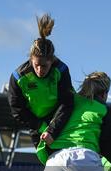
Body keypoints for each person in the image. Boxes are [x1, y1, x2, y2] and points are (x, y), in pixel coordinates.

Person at [7, 13, 74, 149]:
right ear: (31, 59)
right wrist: (40, 126)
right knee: (48, 164)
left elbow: (67, 103)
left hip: (60, 122)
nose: (39, 69)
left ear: (52, 60)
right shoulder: (18, 77)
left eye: (44, 66)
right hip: (36, 125)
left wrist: (52, 130)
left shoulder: (61, 70)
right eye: (36, 65)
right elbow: (17, 109)